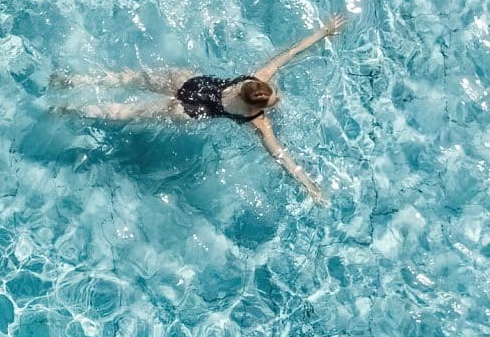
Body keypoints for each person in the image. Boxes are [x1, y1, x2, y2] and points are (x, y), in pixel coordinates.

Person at [58, 13, 348, 203]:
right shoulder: (257, 121)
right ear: (252, 107)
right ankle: (68, 111)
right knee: (124, 113)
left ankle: (72, 81)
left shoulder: (256, 79)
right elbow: (281, 156)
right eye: (274, 100)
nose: (277, 100)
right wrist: (308, 186)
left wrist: (323, 31)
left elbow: (287, 54)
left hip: (190, 82)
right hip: (187, 112)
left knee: (127, 79)